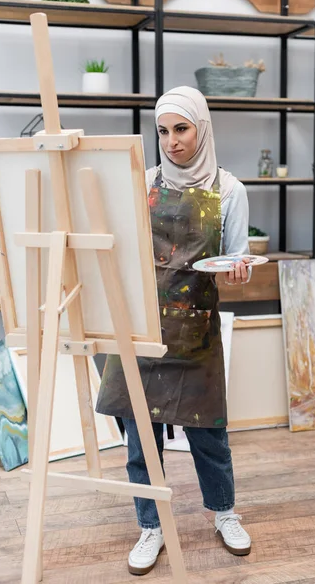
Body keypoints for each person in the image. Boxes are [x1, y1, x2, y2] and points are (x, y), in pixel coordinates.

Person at [96, 86, 252, 576]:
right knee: (142, 436)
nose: (171, 141)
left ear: (201, 129)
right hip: (142, 326)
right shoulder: (142, 182)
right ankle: (151, 526)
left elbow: (236, 255)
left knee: (209, 432)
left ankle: (224, 513)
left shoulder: (229, 189)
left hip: (196, 330)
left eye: (181, 129)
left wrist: (237, 269)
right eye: (162, 131)